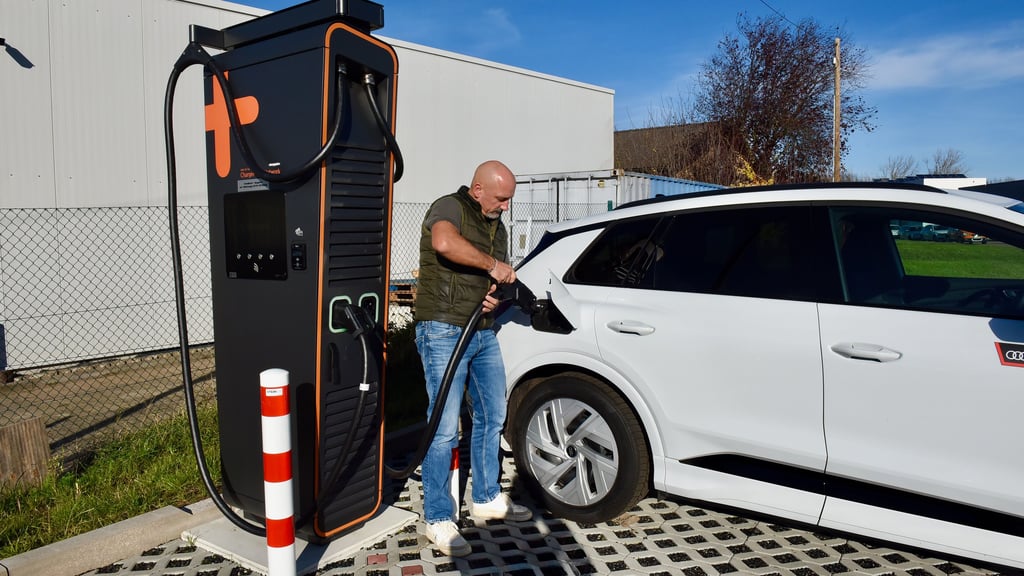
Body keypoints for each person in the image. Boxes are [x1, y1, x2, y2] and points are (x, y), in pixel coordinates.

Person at [414, 160, 532, 557]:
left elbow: (486, 280)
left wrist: (492, 296)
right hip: (443, 330)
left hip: (481, 330)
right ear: (478, 189)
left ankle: (485, 497)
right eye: (501, 198)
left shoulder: (496, 225)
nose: (506, 206)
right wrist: (493, 266)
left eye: (509, 199)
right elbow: (444, 244)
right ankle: (437, 518)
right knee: (444, 428)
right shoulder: (450, 207)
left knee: (492, 414)